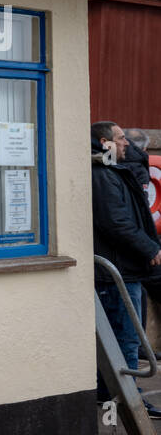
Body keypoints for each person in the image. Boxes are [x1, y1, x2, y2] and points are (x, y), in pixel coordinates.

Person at [92, 121, 161, 418]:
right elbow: (116, 222)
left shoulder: (110, 171)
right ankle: (130, 402)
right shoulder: (104, 175)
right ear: (105, 142)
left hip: (122, 269)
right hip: (117, 271)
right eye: (121, 139)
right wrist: (149, 248)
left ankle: (110, 394)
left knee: (120, 338)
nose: (126, 145)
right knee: (126, 339)